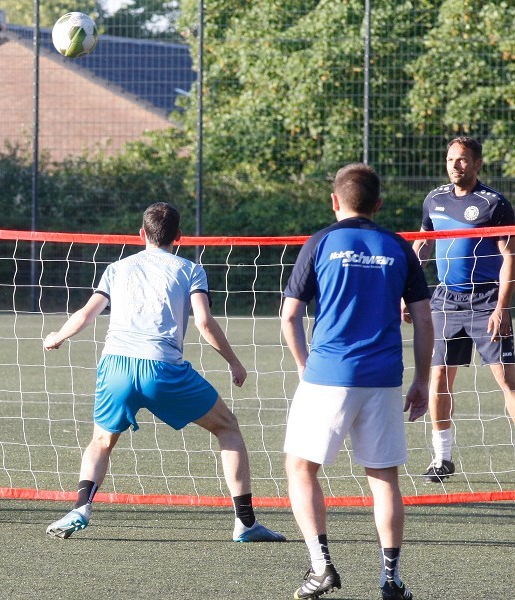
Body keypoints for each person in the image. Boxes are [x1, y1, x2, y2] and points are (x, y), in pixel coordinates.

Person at [43, 202, 285, 543]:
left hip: (115, 366)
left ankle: (80, 507)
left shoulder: (116, 268)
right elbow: (203, 321)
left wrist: (57, 337)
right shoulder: (190, 269)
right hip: (162, 368)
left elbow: (86, 313)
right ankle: (245, 523)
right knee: (227, 426)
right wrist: (233, 361)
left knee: (102, 440)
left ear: (141, 234)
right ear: (180, 237)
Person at [281, 163, 433, 600]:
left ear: (334, 201)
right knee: (384, 478)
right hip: (384, 377)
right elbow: (423, 318)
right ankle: (391, 580)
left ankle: (320, 566)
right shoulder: (398, 246)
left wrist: (304, 364)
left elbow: (290, 316)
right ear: (378, 204)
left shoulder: (321, 242)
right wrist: (422, 379)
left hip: (328, 374)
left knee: (300, 467)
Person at [409, 136, 515, 483]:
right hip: (446, 301)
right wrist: (405, 290)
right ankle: (442, 459)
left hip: (486, 301)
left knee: (508, 381)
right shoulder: (434, 199)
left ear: (477, 163)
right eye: (451, 159)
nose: (456, 165)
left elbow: (509, 257)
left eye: (464, 159)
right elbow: (422, 243)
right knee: (438, 378)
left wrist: (502, 306)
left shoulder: (493, 203)